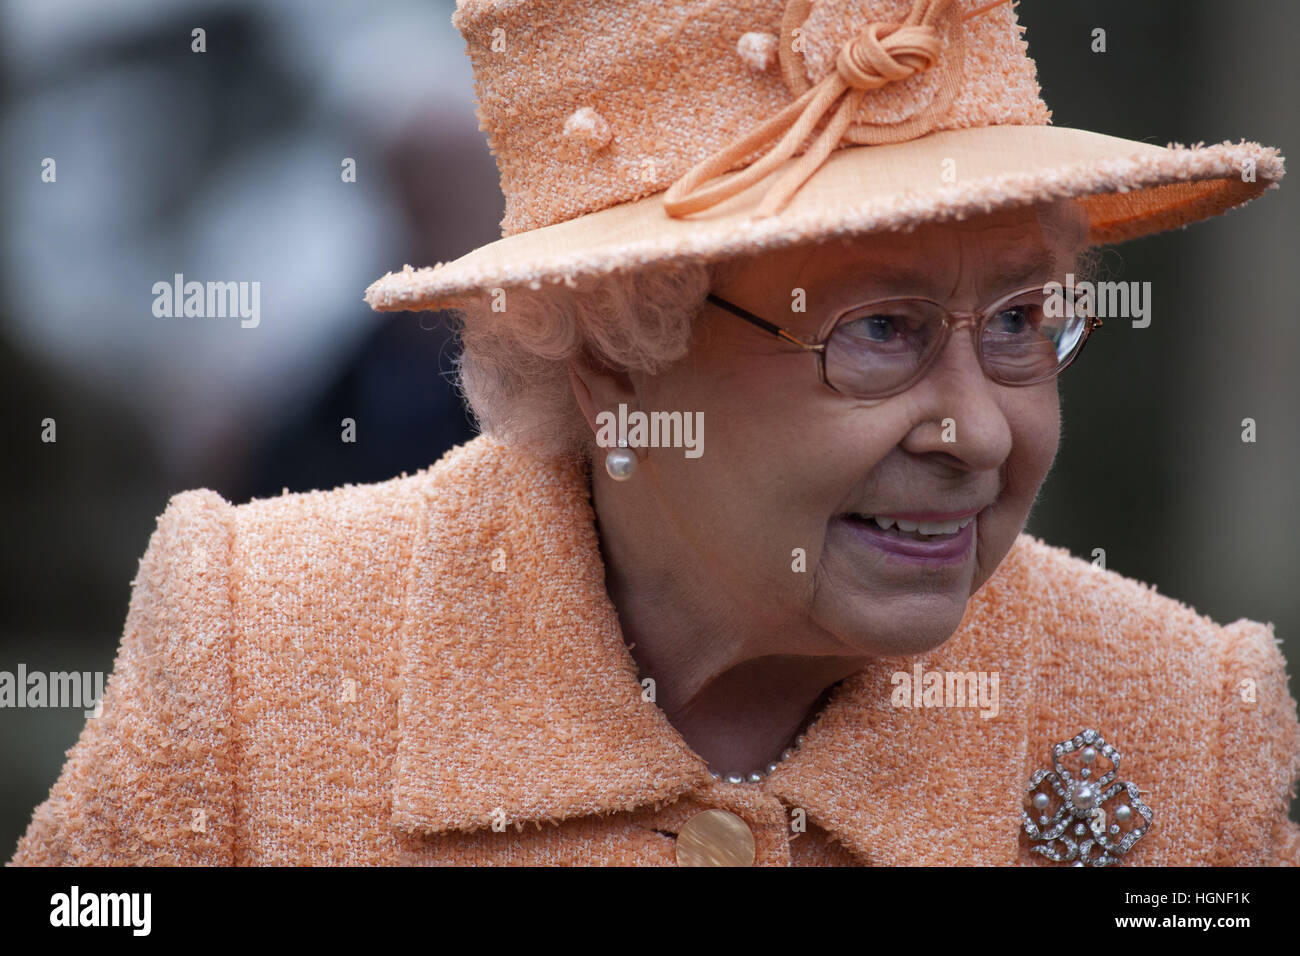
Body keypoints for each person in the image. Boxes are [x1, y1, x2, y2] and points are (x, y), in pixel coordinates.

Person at [11, 0, 1298, 866]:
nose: (977, 428)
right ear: (614, 359)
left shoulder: (1184, 718)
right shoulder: (258, 646)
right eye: (882, 332)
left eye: (1019, 320)